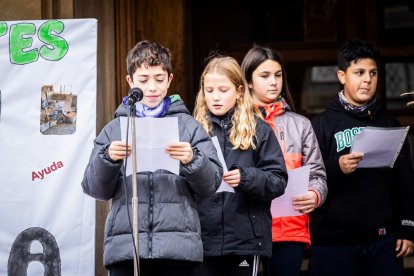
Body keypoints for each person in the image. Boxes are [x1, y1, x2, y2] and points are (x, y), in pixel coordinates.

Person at [81, 40, 223, 276]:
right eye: (144, 80)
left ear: (169, 79)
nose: (152, 87)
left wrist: (192, 159)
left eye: (159, 79)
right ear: (130, 82)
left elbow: (211, 185)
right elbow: (94, 188)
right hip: (127, 246)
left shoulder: (189, 127)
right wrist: (108, 159)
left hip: (177, 249)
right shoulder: (115, 128)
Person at [309, 38, 414, 276]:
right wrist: (337, 167)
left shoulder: (389, 123)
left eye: (373, 72)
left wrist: (408, 229)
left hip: (383, 241)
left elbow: (405, 180)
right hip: (332, 242)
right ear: (341, 76)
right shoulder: (322, 124)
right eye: (359, 72)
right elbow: (308, 178)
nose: (368, 79)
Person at [193, 55, 288, 276]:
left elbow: (278, 180)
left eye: (223, 90)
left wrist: (245, 178)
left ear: (239, 91)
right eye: (209, 90)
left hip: (245, 240)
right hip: (202, 240)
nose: (215, 97)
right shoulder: (193, 129)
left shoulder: (259, 130)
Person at [241, 46, 328, 275]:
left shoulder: (300, 124)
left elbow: (318, 175)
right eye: (265, 75)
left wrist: (315, 195)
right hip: (246, 228)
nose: (273, 82)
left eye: (278, 75)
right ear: (248, 81)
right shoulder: (236, 123)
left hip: (291, 228)